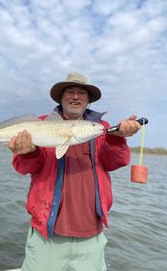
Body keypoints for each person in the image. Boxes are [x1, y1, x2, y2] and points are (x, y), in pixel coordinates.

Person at [8, 72, 141, 271]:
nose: (76, 96)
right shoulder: (42, 124)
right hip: (47, 234)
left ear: (88, 101)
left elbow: (115, 162)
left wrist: (117, 138)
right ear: (61, 98)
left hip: (91, 235)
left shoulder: (101, 129)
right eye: (70, 92)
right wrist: (27, 154)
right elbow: (25, 168)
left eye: (81, 93)